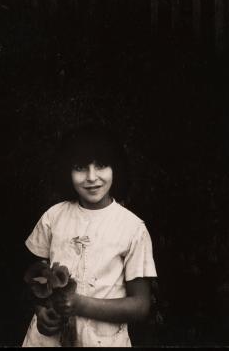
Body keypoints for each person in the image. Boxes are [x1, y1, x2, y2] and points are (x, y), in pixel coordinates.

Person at [22, 124, 157, 347]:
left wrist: (80, 305)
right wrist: (41, 312)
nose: (91, 177)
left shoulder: (132, 228)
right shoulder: (53, 217)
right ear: (66, 171)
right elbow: (34, 281)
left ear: (116, 168)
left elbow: (140, 305)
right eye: (80, 168)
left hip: (102, 341)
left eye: (101, 166)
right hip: (46, 341)